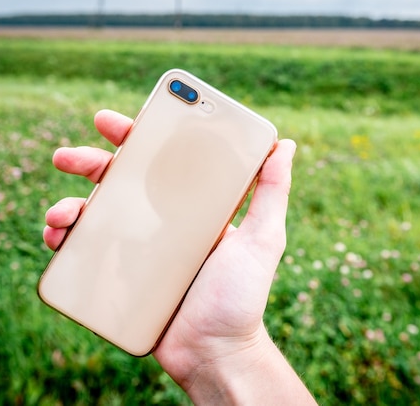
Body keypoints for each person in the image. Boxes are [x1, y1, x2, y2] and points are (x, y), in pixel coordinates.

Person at [43, 109, 317, 405]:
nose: (198, 167)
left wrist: (229, 350)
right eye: (193, 149)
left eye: (220, 158)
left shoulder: (180, 252)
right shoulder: (118, 240)